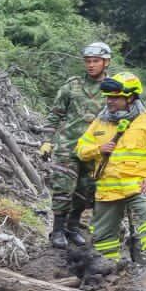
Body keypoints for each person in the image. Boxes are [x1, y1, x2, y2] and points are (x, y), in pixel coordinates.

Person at [76, 71, 146, 268]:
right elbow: (80, 149)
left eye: (115, 97)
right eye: (108, 98)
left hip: (141, 185)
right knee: (103, 236)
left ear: (130, 97)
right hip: (108, 190)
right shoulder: (100, 121)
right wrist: (98, 149)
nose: (109, 102)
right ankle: (108, 272)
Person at [42, 42, 113, 248]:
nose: (91, 65)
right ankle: (57, 231)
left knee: (86, 191)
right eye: (88, 61)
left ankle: (72, 228)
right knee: (63, 189)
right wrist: (47, 140)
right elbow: (55, 114)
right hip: (68, 146)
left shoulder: (112, 88)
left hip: (96, 150)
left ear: (106, 62)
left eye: (95, 61)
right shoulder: (71, 85)